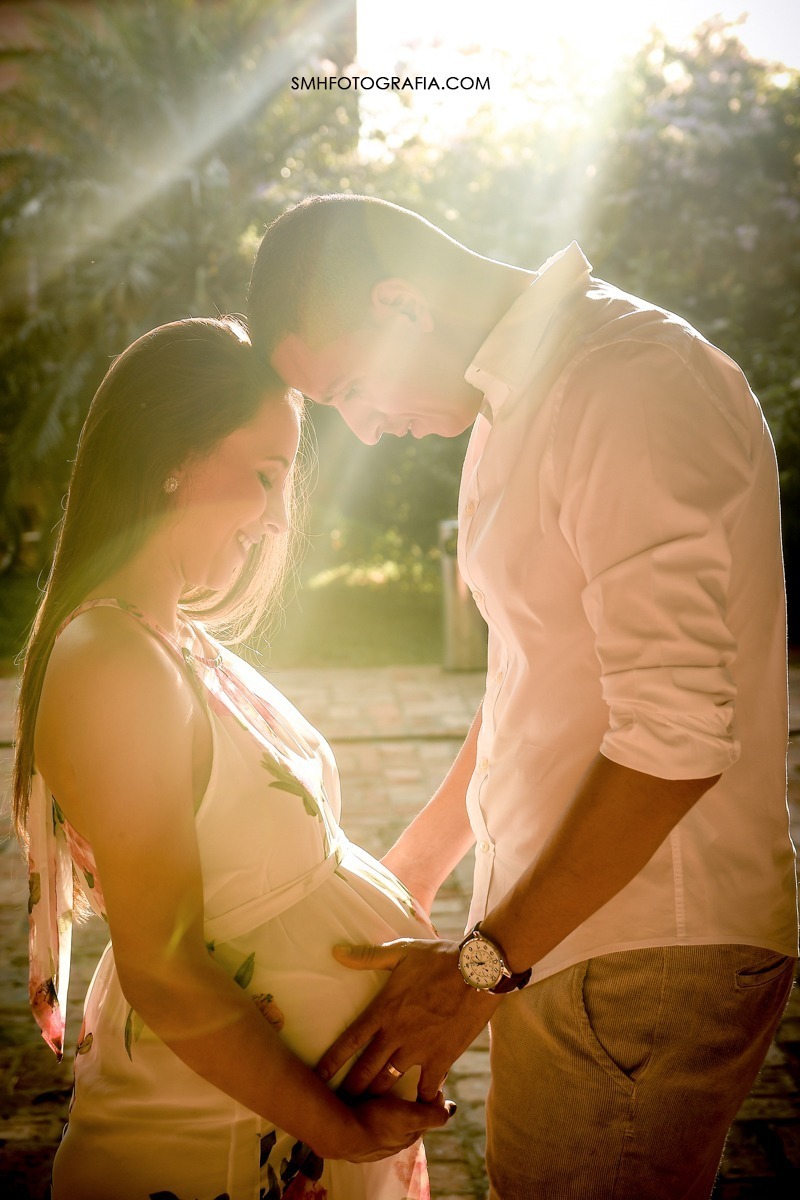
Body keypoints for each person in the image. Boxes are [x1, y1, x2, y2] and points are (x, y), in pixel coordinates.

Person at [247, 194, 799, 1199]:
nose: (363, 430)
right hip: (562, 932)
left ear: (402, 307)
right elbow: (532, 675)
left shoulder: (626, 384)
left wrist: (477, 972)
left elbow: (676, 736)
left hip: (642, 949)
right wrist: (413, 872)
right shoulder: (517, 397)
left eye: (352, 389)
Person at [12, 316, 454, 1200]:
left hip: (268, 1127)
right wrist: (339, 1129)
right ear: (173, 457)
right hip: (214, 1142)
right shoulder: (111, 660)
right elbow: (166, 966)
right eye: (264, 475)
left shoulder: (169, 636)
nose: (277, 517)